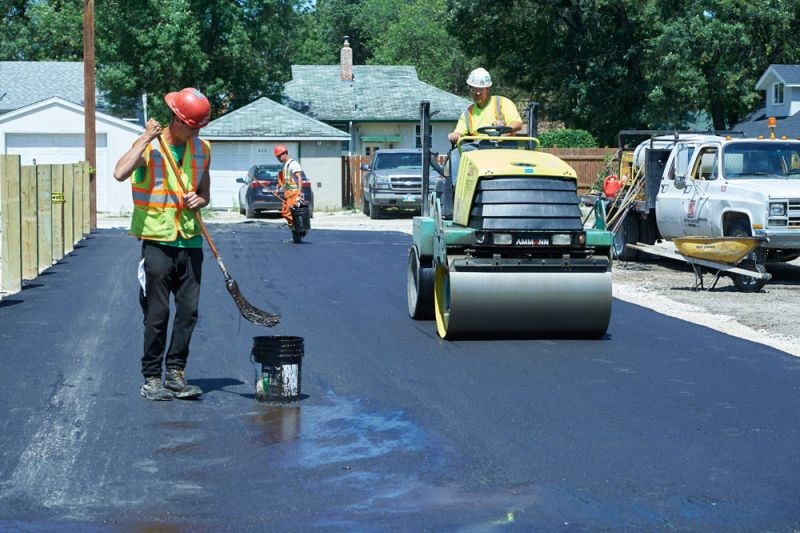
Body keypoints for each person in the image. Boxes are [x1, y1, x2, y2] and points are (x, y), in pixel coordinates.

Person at [113, 87, 212, 401]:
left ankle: (175, 373)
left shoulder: (202, 149)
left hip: (191, 240)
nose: (196, 132)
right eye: (192, 126)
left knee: (188, 312)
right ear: (176, 119)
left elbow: (205, 192)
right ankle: (152, 377)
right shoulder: (149, 147)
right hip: (157, 239)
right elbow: (119, 172)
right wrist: (144, 137)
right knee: (157, 314)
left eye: (199, 127)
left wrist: (201, 199)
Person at [447, 68, 523, 182]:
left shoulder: (502, 103)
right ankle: (457, 188)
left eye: (481, 90)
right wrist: (455, 135)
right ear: (470, 90)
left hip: (504, 146)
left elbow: (518, 124)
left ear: (488, 89)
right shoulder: (468, 113)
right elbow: (459, 132)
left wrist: (504, 127)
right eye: (474, 90)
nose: (477, 93)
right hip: (479, 149)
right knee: (455, 154)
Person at [274, 145, 305, 229]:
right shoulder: (284, 166)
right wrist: (277, 188)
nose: (278, 159)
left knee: (290, 213)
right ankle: (295, 230)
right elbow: (283, 180)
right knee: (285, 212)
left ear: (284, 154)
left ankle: (298, 230)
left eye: (278, 156)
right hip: (287, 195)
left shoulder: (293, 164)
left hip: (294, 194)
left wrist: (299, 192)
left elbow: (299, 177)